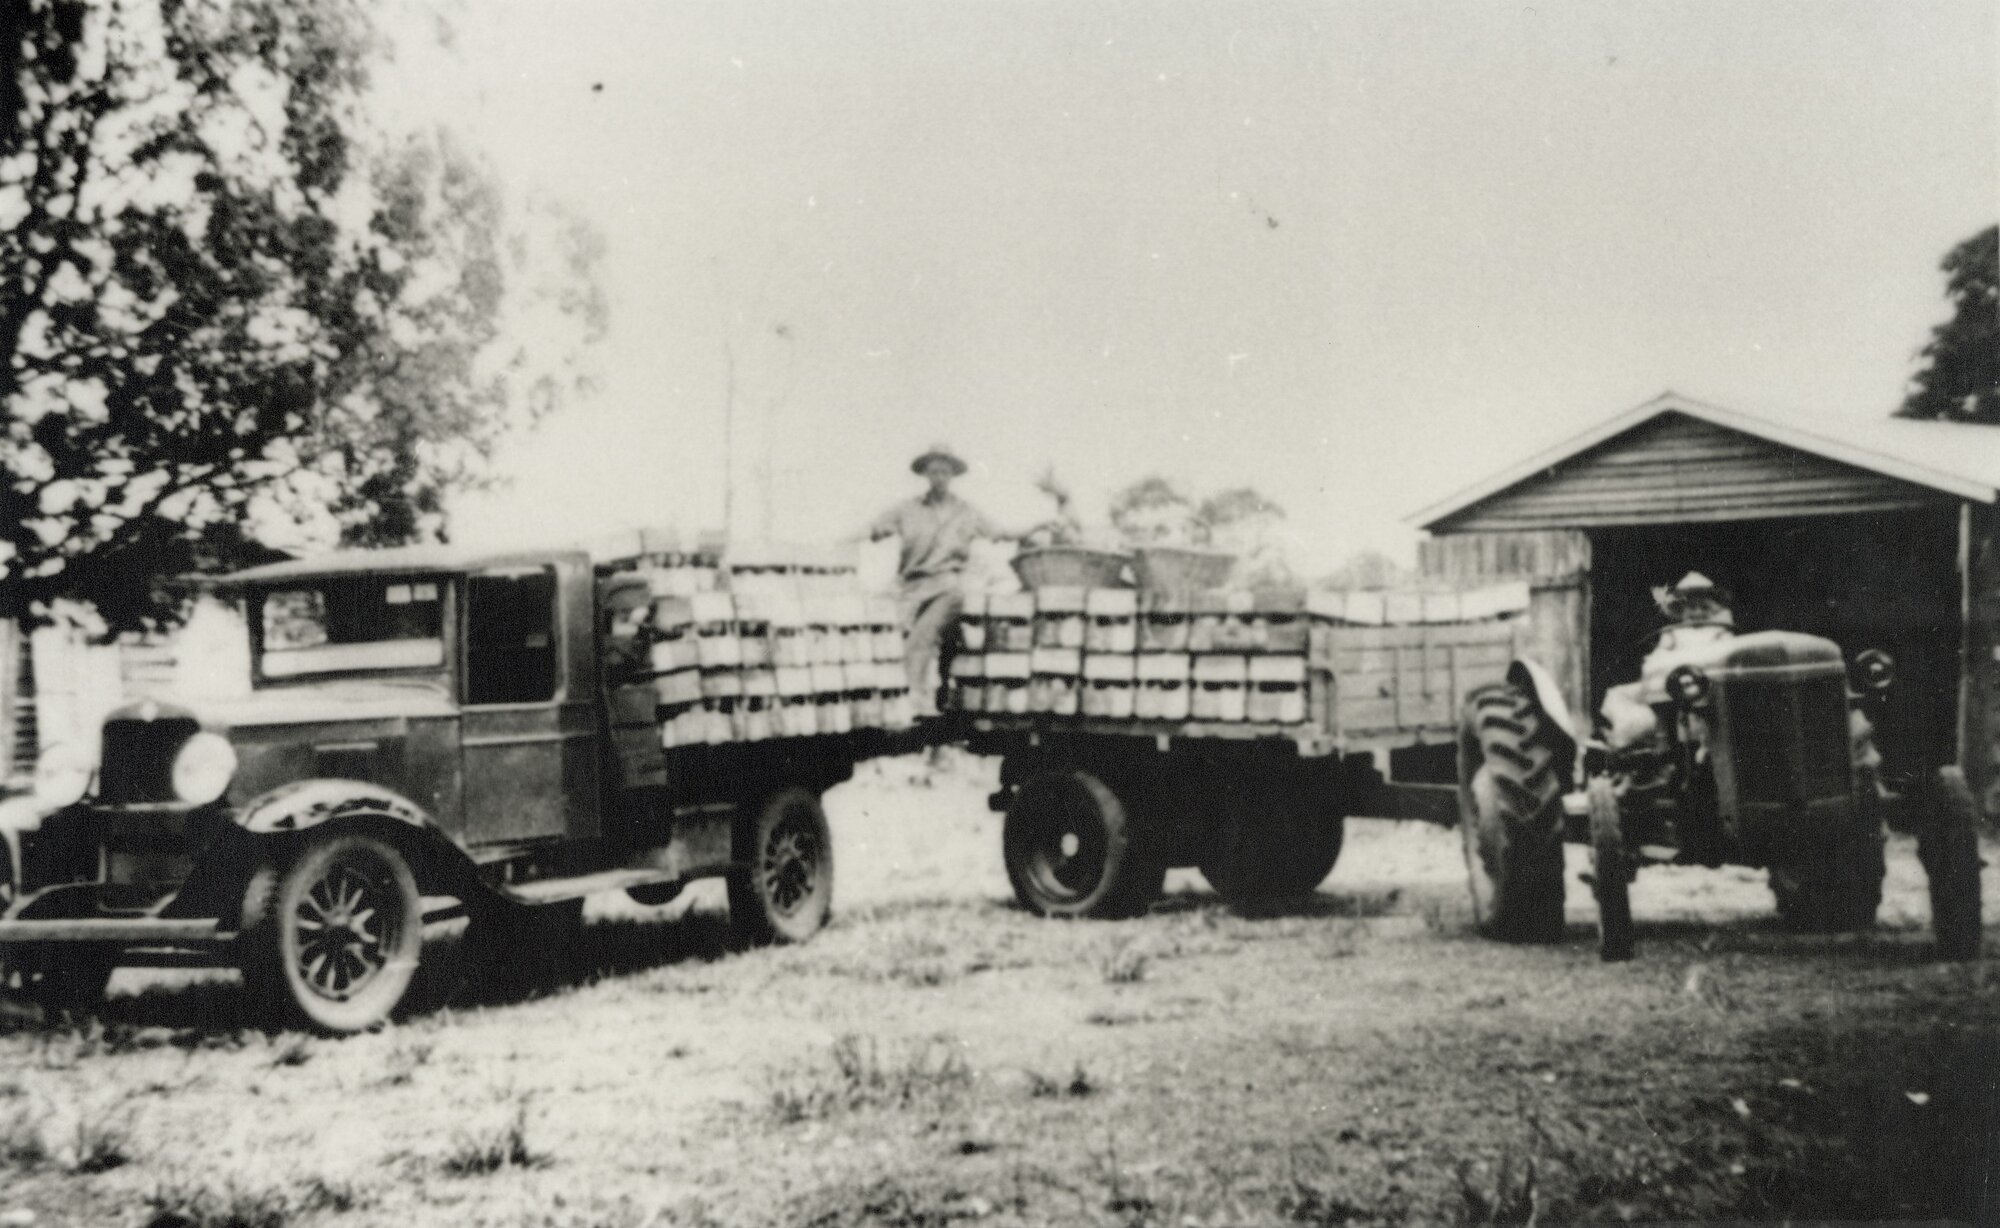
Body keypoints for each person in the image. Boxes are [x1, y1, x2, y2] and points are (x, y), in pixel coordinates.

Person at [870, 444, 1067, 715]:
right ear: (925, 474)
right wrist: (864, 535)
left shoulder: (966, 512)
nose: (939, 476)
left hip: (949, 587)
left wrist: (1038, 525)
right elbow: (875, 527)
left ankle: (909, 701)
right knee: (934, 642)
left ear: (952, 475)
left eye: (944, 471)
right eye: (934, 471)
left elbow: (1002, 532)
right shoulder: (907, 510)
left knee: (921, 639)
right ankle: (944, 696)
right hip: (914, 591)